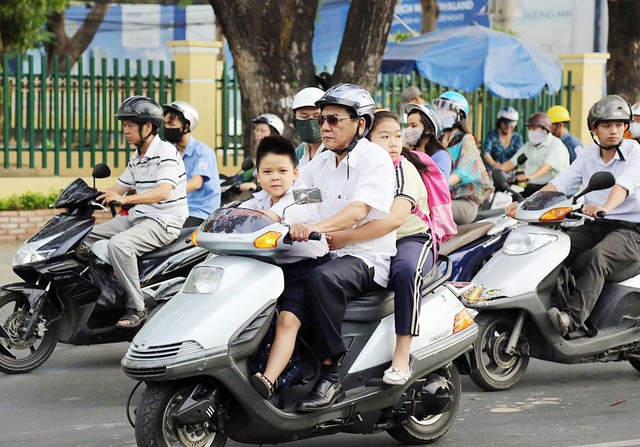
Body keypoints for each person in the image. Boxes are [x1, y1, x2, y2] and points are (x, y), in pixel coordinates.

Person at [288, 83, 396, 411]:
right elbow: (297, 199)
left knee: (321, 279)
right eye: (322, 119)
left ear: (360, 124)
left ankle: (331, 373)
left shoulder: (374, 159)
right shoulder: (321, 162)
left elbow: (359, 211)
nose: (324, 126)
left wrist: (316, 227)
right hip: (327, 252)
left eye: (334, 119)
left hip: (366, 258)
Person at [326, 110, 433, 385]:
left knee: (406, 271)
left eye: (398, 136)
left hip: (409, 239)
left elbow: (394, 220)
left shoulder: (402, 169)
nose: (394, 143)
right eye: (385, 137)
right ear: (367, 140)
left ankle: (401, 357)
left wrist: (344, 237)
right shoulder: (354, 165)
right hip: (370, 242)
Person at [521, 95, 640, 337]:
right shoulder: (588, 155)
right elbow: (560, 184)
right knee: (556, 247)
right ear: (594, 129)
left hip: (630, 230)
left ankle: (571, 319)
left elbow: (624, 185)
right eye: (607, 126)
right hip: (595, 225)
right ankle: (545, 304)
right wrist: (523, 205)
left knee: (599, 256)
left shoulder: (635, 151)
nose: (614, 131)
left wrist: (604, 206)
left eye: (619, 125)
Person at [85, 96, 188, 327]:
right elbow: (116, 188)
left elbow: (163, 192)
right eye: (124, 125)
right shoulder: (138, 157)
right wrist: (85, 197)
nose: (126, 131)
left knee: (119, 245)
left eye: (130, 125)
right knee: (82, 237)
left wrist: (125, 199)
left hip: (164, 221)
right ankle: (102, 293)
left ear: (148, 127)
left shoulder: (167, 153)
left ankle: (136, 306)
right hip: (139, 218)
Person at [241, 135, 330, 399]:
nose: (275, 178)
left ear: (295, 172)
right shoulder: (258, 201)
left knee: (287, 320)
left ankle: (269, 380)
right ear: (258, 175)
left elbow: (277, 215)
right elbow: (240, 216)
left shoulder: (306, 194)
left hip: (308, 270)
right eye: (267, 172)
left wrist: (252, 221)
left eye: (282, 171)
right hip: (272, 272)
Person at [432, 91, 493, 224]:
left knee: (428, 210)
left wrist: (433, 185)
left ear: (459, 115)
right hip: (439, 198)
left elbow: (461, 173)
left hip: (464, 202)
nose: (440, 112)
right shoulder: (435, 140)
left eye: (446, 109)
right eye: (439, 108)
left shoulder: (466, 140)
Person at [163, 101, 220, 226]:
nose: (166, 128)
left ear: (186, 127)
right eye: (165, 123)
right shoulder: (170, 151)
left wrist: (164, 192)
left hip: (200, 213)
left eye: (171, 124)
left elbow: (196, 183)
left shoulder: (202, 152)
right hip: (175, 211)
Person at [497, 112, 570, 198]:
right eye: (529, 128)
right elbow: (512, 162)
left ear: (545, 129)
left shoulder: (556, 145)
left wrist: (529, 177)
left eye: (534, 128)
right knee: (509, 203)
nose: (531, 131)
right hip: (532, 190)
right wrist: (496, 171)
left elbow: (547, 167)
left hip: (551, 191)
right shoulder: (529, 146)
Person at [404, 102, 452, 181]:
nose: (408, 130)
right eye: (407, 126)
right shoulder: (408, 153)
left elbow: (439, 184)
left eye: (414, 126)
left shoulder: (441, 156)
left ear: (428, 129)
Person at [241, 113, 287, 192]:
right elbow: (249, 174)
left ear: (273, 133)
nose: (258, 134)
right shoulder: (261, 155)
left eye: (262, 131)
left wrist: (256, 186)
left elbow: (281, 181)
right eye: (257, 130)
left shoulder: (280, 156)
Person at [291, 87, 326, 167]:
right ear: (295, 119)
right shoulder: (299, 152)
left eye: (316, 116)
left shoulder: (335, 151)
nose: (310, 122)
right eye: (304, 117)